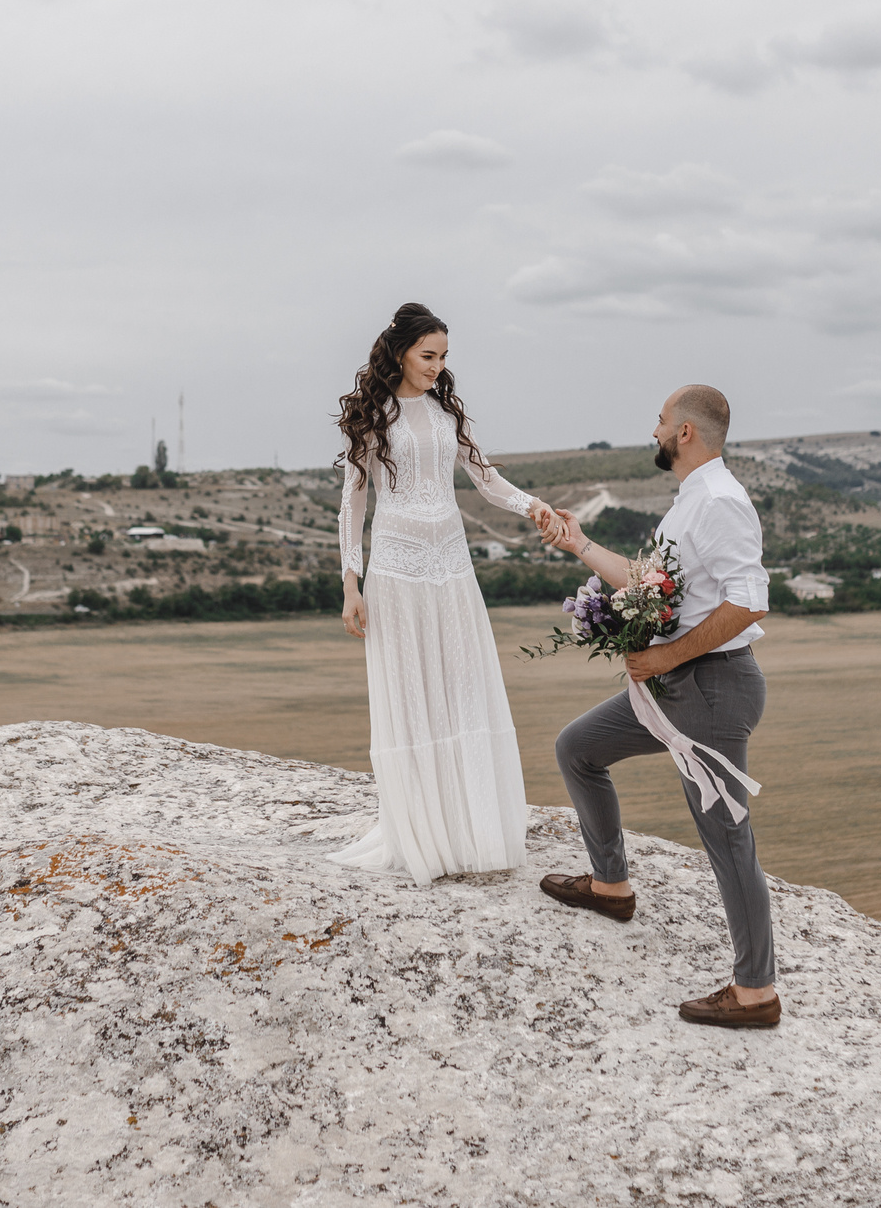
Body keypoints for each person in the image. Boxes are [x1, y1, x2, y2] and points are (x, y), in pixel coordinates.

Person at [538, 384, 780, 1029]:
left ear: (687, 433)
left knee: (727, 837)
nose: (654, 430)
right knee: (578, 749)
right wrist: (581, 545)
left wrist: (667, 658)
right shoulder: (692, 501)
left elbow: (751, 600)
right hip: (677, 685)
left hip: (709, 688)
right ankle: (611, 885)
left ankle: (755, 992)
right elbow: (653, 584)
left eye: (662, 422)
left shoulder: (721, 501)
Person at [331, 303, 558, 882]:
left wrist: (531, 505)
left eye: (443, 358)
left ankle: (470, 826)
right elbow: (353, 502)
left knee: (462, 687)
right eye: (427, 356)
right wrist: (350, 582)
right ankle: (421, 831)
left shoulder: (446, 414)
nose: (436, 367)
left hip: (453, 567)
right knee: (412, 693)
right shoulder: (373, 416)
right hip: (398, 573)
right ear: (400, 351)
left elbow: (486, 478)